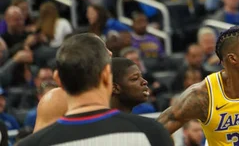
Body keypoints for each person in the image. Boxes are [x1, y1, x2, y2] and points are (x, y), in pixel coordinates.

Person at [20, 33, 172, 145]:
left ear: (58, 78)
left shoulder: (30, 144)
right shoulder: (56, 100)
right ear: (107, 75)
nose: (143, 82)